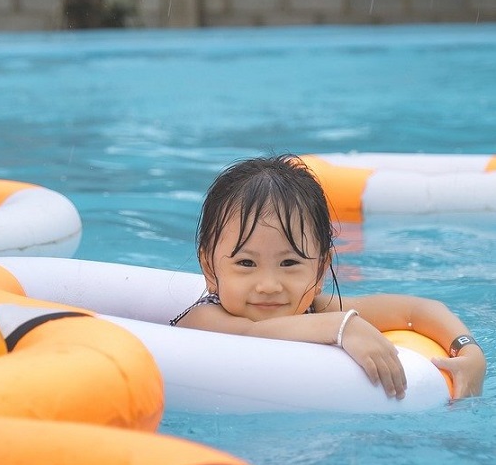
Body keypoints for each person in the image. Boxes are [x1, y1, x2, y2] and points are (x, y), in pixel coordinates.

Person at [171, 154, 486, 400]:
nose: (269, 286)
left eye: (290, 262)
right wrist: (341, 326)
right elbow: (251, 334)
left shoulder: (316, 307)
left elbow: (416, 311)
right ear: (210, 269)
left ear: (321, 268)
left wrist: (469, 351)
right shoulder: (203, 319)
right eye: (246, 263)